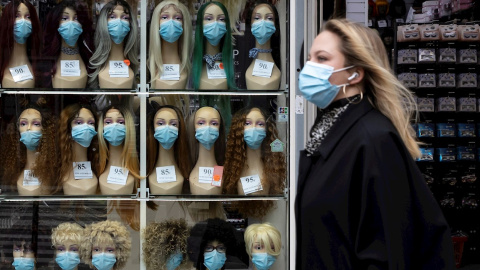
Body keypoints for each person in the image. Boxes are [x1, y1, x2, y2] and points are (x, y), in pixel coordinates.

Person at [296, 18, 454, 269]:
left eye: (322, 59)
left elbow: (387, 251)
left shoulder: (373, 139)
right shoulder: (330, 129)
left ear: (355, 73)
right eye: (309, 58)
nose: (308, 67)